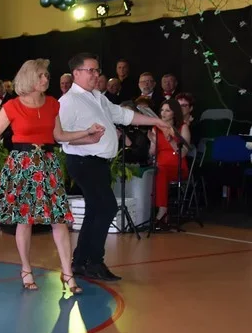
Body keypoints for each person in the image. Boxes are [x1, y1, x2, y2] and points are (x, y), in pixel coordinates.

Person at [0, 59, 105, 293]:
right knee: (24, 221)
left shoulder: (52, 103)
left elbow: (59, 135)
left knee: (59, 220)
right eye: (41, 75)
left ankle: (68, 273)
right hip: (22, 165)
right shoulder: (12, 106)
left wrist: (87, 134)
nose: (46, 79)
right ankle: (26, 269)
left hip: (47, 164)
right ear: (29, 78)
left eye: (46, 75)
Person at [58, 52, 172, 281]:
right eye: (90, 70)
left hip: (98, 163)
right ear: (76, 73)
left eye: (97, 70)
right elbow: (62, 137)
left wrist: (156, 121)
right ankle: (94, 261)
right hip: (84, 161)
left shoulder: (97, 97)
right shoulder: (68, 101)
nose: (95, 74)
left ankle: (81, 262)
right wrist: (88, 139)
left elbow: (124, 116)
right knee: (107, 207)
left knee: (95, 210)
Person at [148, 99, 191, 227]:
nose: (163, 113)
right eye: (162, 110)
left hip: (177, 167)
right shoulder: (156, 128)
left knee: (160, 172)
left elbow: (183, 153)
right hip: (160, 166)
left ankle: (162, 212)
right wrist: (153, 142)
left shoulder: (183, 127)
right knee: (151, 172)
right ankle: (146, 212)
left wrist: (171, 140)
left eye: (167, 110)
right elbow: (151, 153)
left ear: (174, 112)